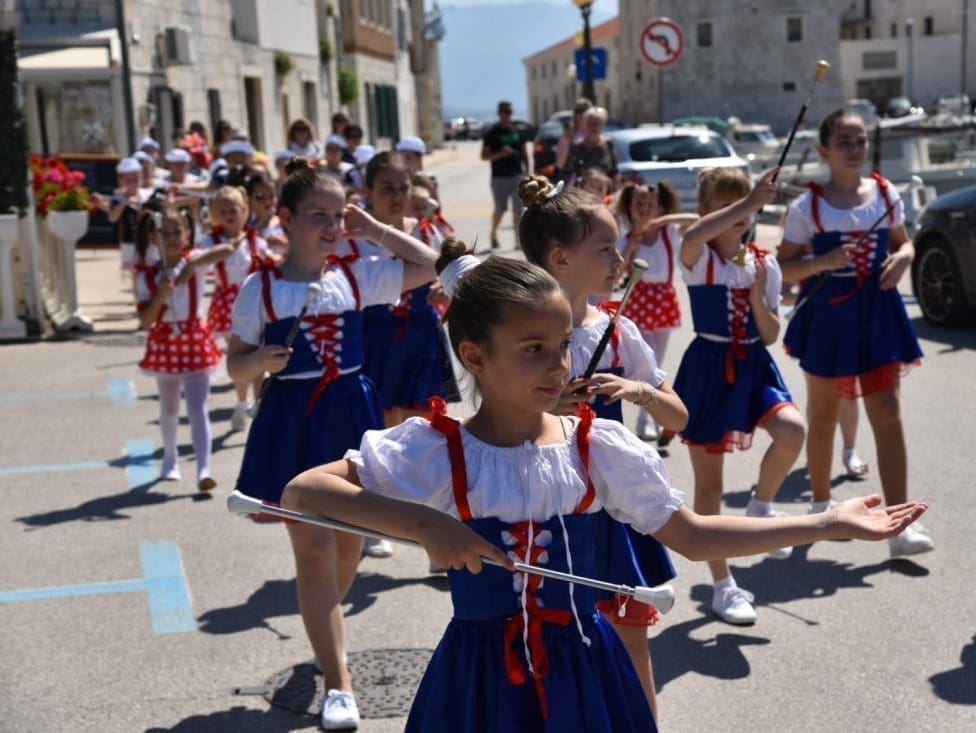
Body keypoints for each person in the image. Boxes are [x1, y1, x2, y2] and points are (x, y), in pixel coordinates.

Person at [280, 239, 929, 732]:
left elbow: (695, 536)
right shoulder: (438, 449)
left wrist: (827, 523)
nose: (558, 365)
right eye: (532, 348)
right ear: (474, 355)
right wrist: (426, 524)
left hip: (587, 669)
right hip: (477, 680)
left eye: (562, 344)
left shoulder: (595, 448)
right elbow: (304, 492)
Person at [227, 157, 439, 730]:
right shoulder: (260, 288)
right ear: (287, 218)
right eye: (318, 215)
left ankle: (325, 629)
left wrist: (373, 228)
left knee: (348, 549)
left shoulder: (353, 275)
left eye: (337, 214)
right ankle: (339, 684)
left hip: (349, 414)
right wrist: (259, 360)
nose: (330, 225)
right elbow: (234, 365)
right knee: (316, 550)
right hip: (292, 422)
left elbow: (429, 264)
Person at [516, 175, 687, 718]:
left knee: (630, 644)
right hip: (543, 506)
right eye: (606, 248)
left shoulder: (616, 330)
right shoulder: (517, 333)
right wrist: (545, 409)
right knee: (545, 649)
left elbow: (679, 416)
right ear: (561, 259)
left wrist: (638, 390)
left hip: (611, 507)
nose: (620, 259)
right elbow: (487, 423)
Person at [777, 109, 932, 559]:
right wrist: (821, 263)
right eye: (844, 141)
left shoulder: (884, 194)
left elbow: (904, 242)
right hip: (829, 317)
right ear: (824, 150)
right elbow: (782, 267)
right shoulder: (808, 207)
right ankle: (822, 510)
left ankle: (899, 526)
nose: (854, 149)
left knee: (888, 415)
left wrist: (905, 257)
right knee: (824, 417)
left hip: (877, 313)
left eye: (860, 140)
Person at [671, 167, 807, 625]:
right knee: (709, 487)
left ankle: (761, 505)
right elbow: (693, 233)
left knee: (792, 431)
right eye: (727, 206)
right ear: (706, 210)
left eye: (745, 204)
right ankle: (722, 585)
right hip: (709, 367)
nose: (740, 214)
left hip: (753, 363)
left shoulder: (764, 263)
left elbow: (770, 334)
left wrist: (755, 301)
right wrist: (751, 201)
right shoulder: (696, 256)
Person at [358, 150, 459, 429]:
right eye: (387, 188)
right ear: (368, 191)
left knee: (425, 426)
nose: (397, 196)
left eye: (403, 188)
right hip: (372, 337)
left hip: (421, 334)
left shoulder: (426, 232)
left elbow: (453, 274)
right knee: (380, 425)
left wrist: (445, 286)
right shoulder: (352, 239)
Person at [134, 208, 232, 490]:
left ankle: (204, 470)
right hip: (166, 343)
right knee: (169, 410)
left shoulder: (195, 262)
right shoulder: (148, 274)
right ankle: (170, 458)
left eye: (178, 231)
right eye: (165, 233)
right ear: (154, 237)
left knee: (198, 409)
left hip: (195, 342)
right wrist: (160, 295)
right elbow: (146, 320)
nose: (173, 238)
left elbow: (227, 249)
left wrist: (191, 265)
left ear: (188, 234)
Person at [616, 182, 698, 442]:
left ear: (661, 207)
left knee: (657, 364)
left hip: (663, 301)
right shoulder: (627, 237)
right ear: (630, 207)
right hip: (639, 300)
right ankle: (645, 419)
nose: (645, 208)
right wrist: (634, 241)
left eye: (651, 204)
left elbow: (697, 221)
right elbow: (618, 271)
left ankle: (649, 417)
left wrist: (665, 219)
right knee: (648, 360)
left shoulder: (669, 232)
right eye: (639, 203)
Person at [198, 186, 276, 431]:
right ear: (215, 215)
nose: (229, 215)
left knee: (259, 359)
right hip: (227, 304)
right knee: (242, 355)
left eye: (233, 209)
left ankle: (260, 406)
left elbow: (271, 262)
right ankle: (242, 403)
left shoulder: (255, 239)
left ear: (244, 210)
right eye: (222, 211)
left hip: (255, 301)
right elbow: (199, 262)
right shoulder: (211, 241)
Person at [481, 100, 529, 249]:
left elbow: (524, 153)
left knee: (518, 209)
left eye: (509, 112)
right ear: (499, 113)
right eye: (504, 112)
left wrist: (527, 172)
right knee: (500, 209)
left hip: (516, 175)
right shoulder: (492, 133)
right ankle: (493, 233)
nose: (507, 115)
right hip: (499, 177)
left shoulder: (517, 131)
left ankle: (518, 241)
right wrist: (502, 154)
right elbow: (484, 156)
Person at [108, 157, 156, 277]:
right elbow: (112, 218)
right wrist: (126, 202)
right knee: (134, 274)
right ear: (121, 181)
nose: (133, 183)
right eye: (129, 180)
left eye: (136, 179)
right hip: (129, 242)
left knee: (151, 270)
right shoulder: (117, 199)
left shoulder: (148, 195)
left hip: (149, 242)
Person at [561, 107, 617, 187]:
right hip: (584, 189)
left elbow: (614, 171)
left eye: (597, 123)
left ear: (603, 124)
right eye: (590, 123)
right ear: (585, 124)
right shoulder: (577, 146)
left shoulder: (608, 144)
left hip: (604, 189)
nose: (593, 127)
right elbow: (567, 172)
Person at [246, 170, 287, 256]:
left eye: (271, 196)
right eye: (260, 197)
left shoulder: (287, 222)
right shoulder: (242, 226)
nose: (267, 202)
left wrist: (286, 244)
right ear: (249, 198)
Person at [554, 97, 592, 178]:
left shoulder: (595, 134)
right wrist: (567, 141)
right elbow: (560, 164)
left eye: (585, 111)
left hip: (592, 179)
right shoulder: (568, 135)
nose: (582, 114)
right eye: (578, 111)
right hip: (573, 180)